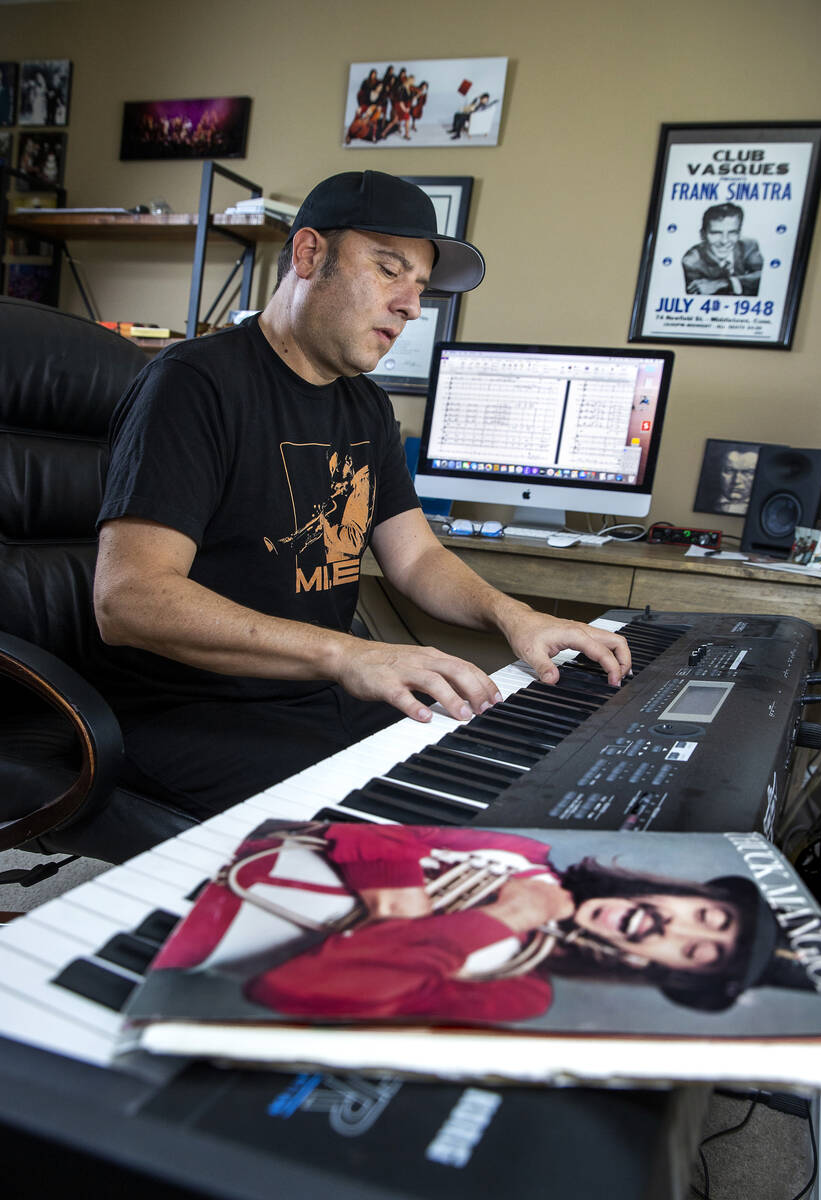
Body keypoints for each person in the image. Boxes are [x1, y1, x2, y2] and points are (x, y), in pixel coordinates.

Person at [93, 170, 631, 821]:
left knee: (492, 786)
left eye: (421, 288)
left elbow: (416, 560)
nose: (411, 306)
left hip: (321, 698)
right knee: (383, 849)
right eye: (388, 270)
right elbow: (127, 598)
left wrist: (513, 616)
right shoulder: (193, 384)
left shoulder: (368, 408)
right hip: (195, 717)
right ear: (309, 254)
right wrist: (351, 653)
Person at [152, 822, 783, 1022]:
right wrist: (400, 907)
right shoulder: (522, 853)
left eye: (696, 952)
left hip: (177, 934)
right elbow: (367, 833)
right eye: (703, 916)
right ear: (669, 892)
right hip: (222, 846)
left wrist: (509, 917)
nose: (668, 927)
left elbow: (294, 989)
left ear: (661, 968)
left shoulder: (520, 992)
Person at [682, 203, 763, 296]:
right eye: (716, 233)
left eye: (732, 232)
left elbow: (764, 276)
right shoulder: (692, 262)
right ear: (702, 235)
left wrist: (725, 283)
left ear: (739, 234)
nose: (724, 241)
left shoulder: (749, 245)